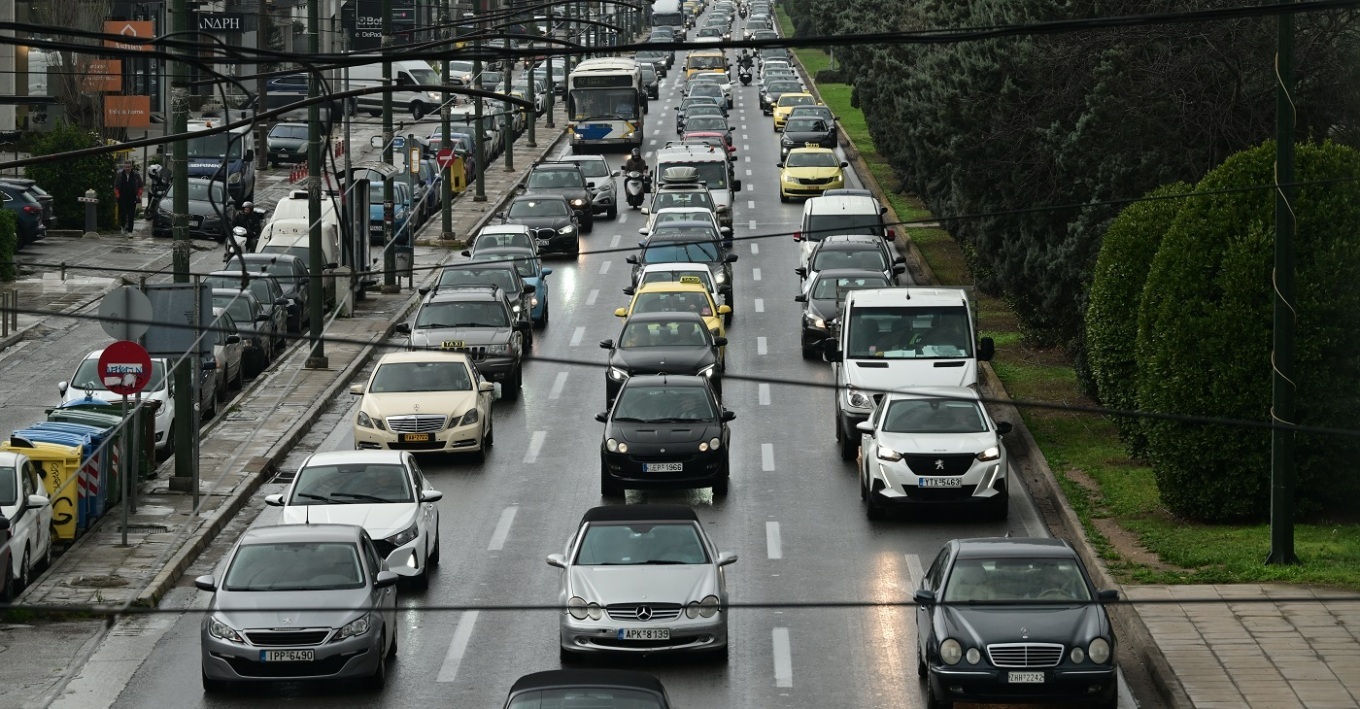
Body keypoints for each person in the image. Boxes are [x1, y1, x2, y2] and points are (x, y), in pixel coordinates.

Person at [113, 161, 143, 235]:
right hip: (122, 197)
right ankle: (123, 226)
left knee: (131, 215)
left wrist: (138, 195)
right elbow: (116, 186)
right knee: (122, 214)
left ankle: (130, 230)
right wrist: (117, 195)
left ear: (131, 167)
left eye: (129, 167)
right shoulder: (120, 175)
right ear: (124, 167)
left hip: (132, 197)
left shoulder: (136, 175)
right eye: (126, 167)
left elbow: (141, 185)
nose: (127, 168)